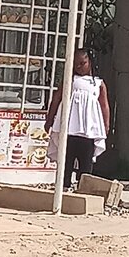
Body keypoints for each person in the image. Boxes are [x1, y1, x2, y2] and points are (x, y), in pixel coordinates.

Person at [45, 48, 110, 189]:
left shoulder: (98, 83)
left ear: (90, 62)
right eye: (75, 64)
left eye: (82, 63)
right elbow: (56, 99)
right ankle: (63, 186)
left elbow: (104, 105)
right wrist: (49, 120)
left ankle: (83, 189)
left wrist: (106, 125)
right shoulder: (70, 80)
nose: (79, 67)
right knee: (66, 160)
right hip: (68, 129)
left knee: (86, 162)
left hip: (88, 131)